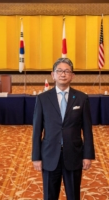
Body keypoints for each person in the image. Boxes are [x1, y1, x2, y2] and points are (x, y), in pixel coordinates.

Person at [32, 58, 95, 200]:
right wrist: (36, 157)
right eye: (59, 71)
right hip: (49, 155)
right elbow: (37, 130)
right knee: (49, 195)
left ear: (72, 76)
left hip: (74, 154)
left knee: (73, 195)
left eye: (67, 71)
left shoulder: (81, 98)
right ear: (52, 75)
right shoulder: (42, 99)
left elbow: (87, 129)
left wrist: (87, 155)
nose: (63, 74)